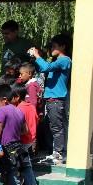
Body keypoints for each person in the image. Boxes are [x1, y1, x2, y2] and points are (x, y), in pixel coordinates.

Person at [0, 84, 37, 185]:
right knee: (14, 176)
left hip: (5, 147)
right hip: (17, 146)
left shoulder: (2, 111)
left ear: (4, 99)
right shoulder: (19, 110)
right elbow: (25, 130)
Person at [31, 34, 72, 165]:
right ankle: (57, 152)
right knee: (54, 127)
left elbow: (46, 68)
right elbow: (44, 68)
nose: (51, 48)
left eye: (54, 46)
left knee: (57, 127)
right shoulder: (56, 61)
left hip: (56, 99)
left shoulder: (64, 60)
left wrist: (38, 56)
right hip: (52, 99)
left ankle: (59, 154)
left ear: (63, 46)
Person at [13, 85, 39, 156]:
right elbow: (36, 121)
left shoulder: (17, 109)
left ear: (17, 97)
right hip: (31, 140)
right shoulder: (31, 106)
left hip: (23, 140)